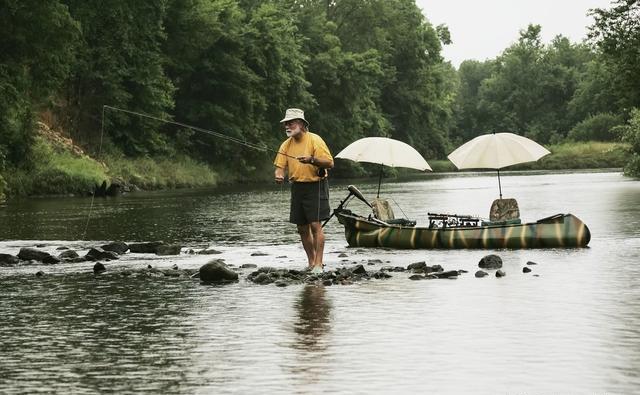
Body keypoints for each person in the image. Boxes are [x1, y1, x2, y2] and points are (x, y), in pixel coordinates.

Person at [274, 108, 333, 274]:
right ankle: (311, 262)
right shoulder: (285, 145)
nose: (287, 125)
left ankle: (319, 264)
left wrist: (312, 160)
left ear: (301, 124)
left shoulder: (315, 140)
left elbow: (329, 163)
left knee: (315, 224)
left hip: (316, 185)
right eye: (286, 123)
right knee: (301, 227)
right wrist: (279, 176)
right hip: (297, 187)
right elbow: (280, 168)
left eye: (291, 122)